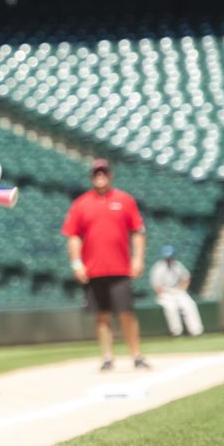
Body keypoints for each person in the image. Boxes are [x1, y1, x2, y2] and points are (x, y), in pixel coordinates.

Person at [62, 158, 150, 372]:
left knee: (126, 313)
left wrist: (138, 259)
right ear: (92, 177)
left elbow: (138, 231)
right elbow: (73, 236)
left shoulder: (125, 200)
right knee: (102, 315)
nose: (100, 176)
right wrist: (77, 263)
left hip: (120, 268)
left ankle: (136, 355)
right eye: (96, 173)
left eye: (103, 172)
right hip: (94, 269)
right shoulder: (81, 203)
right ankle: (107, 357)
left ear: (110, 175)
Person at [150, 245, 204, 337]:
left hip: (177, 291)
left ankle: (196, 331)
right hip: (165, 293)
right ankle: (176, 332)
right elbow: (157, 287)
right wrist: (168, 293)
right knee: (171, 307)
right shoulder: (158, 268)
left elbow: (186, 278)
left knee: (190, 304)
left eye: (170, 257)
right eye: (167, 257)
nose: (169, 259)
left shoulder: (177, 265)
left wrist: (182, 289)